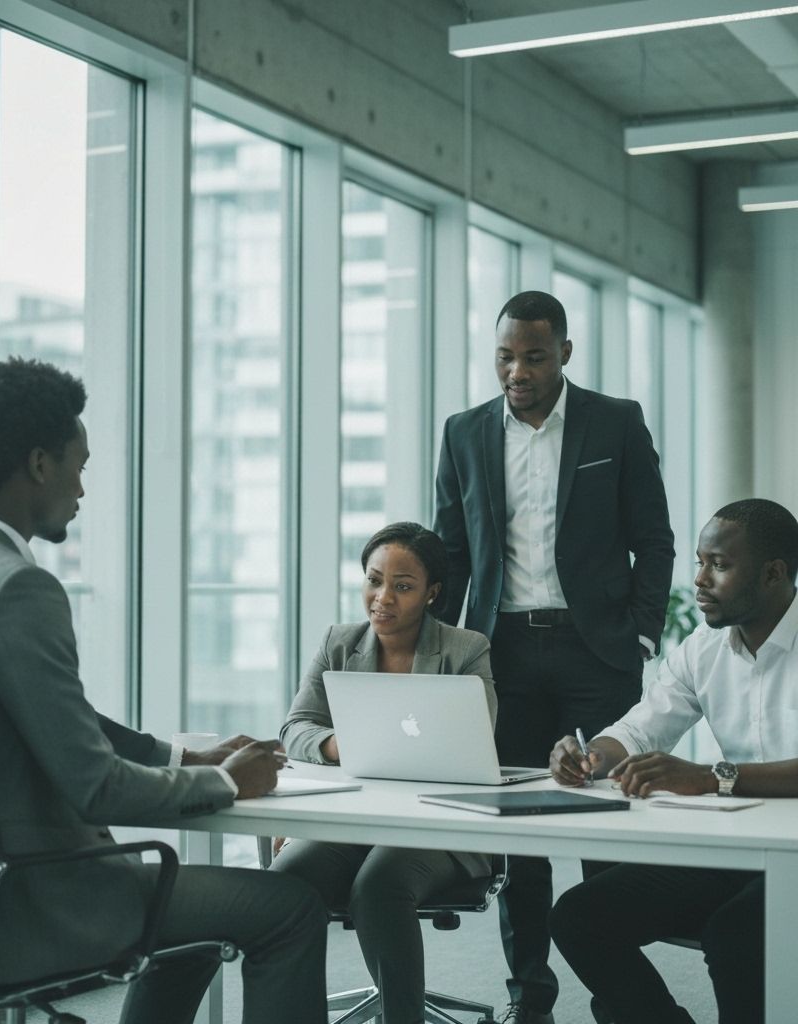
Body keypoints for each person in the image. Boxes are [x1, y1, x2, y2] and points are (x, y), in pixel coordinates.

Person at [0, 357, 327, 1024]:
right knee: (289, 908)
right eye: (78, 465)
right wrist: (229, 784)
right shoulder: (17, 587)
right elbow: (94, 787)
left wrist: (182, 759)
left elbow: (56, 716)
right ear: (39, 464)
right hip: (36, 897)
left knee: (190, 905)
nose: (82, 490)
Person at [432, 289, 675, 1024]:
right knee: (520, 829)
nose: (517, 370)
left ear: (564, 353)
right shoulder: (465, 431)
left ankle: (618, 995)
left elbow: (654, 538)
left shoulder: (615, 422)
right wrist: (439, 656)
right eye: (505, 356)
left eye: (534, 356)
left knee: (603, 820)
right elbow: (450, 551)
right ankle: (528, 993)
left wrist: (638, 632)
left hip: (594, 649)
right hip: (502, 649)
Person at [548, 498, 798, 1024]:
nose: (702, 580)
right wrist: (590, 756)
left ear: (774, 573)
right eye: (700, 563)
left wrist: (710, 778)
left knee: (736, 936)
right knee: (580, 916)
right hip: (742, 850)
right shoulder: (702, 649)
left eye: (720, 565)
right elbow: (642, 727)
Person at [270, 521, 497, 1024]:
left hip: (438, 828)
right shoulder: (338, 643)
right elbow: (295, 727)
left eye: (402, 585)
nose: (382, 598)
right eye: (374, 580)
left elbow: (476, 740)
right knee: (284, 878)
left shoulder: (465, 650)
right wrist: (334, 744)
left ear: (431, 593)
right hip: (355, 821)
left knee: (378, 886)